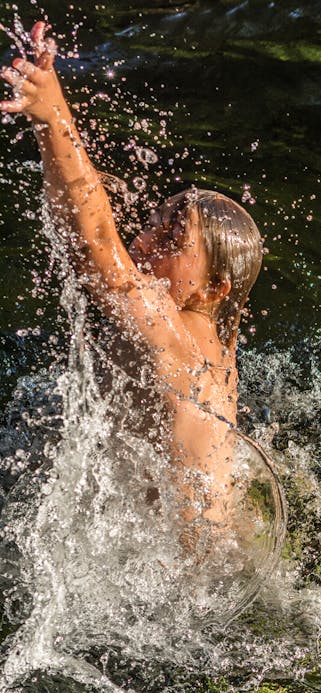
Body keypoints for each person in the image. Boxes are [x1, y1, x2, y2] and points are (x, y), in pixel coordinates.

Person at [0, 22, 264, 532]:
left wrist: (53, 115)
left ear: (214, 289)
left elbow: (96, 246)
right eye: (150, 226)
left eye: (170, 240)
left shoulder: (179, 338)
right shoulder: (214, 347)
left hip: (183, 584)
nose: (141, 244)